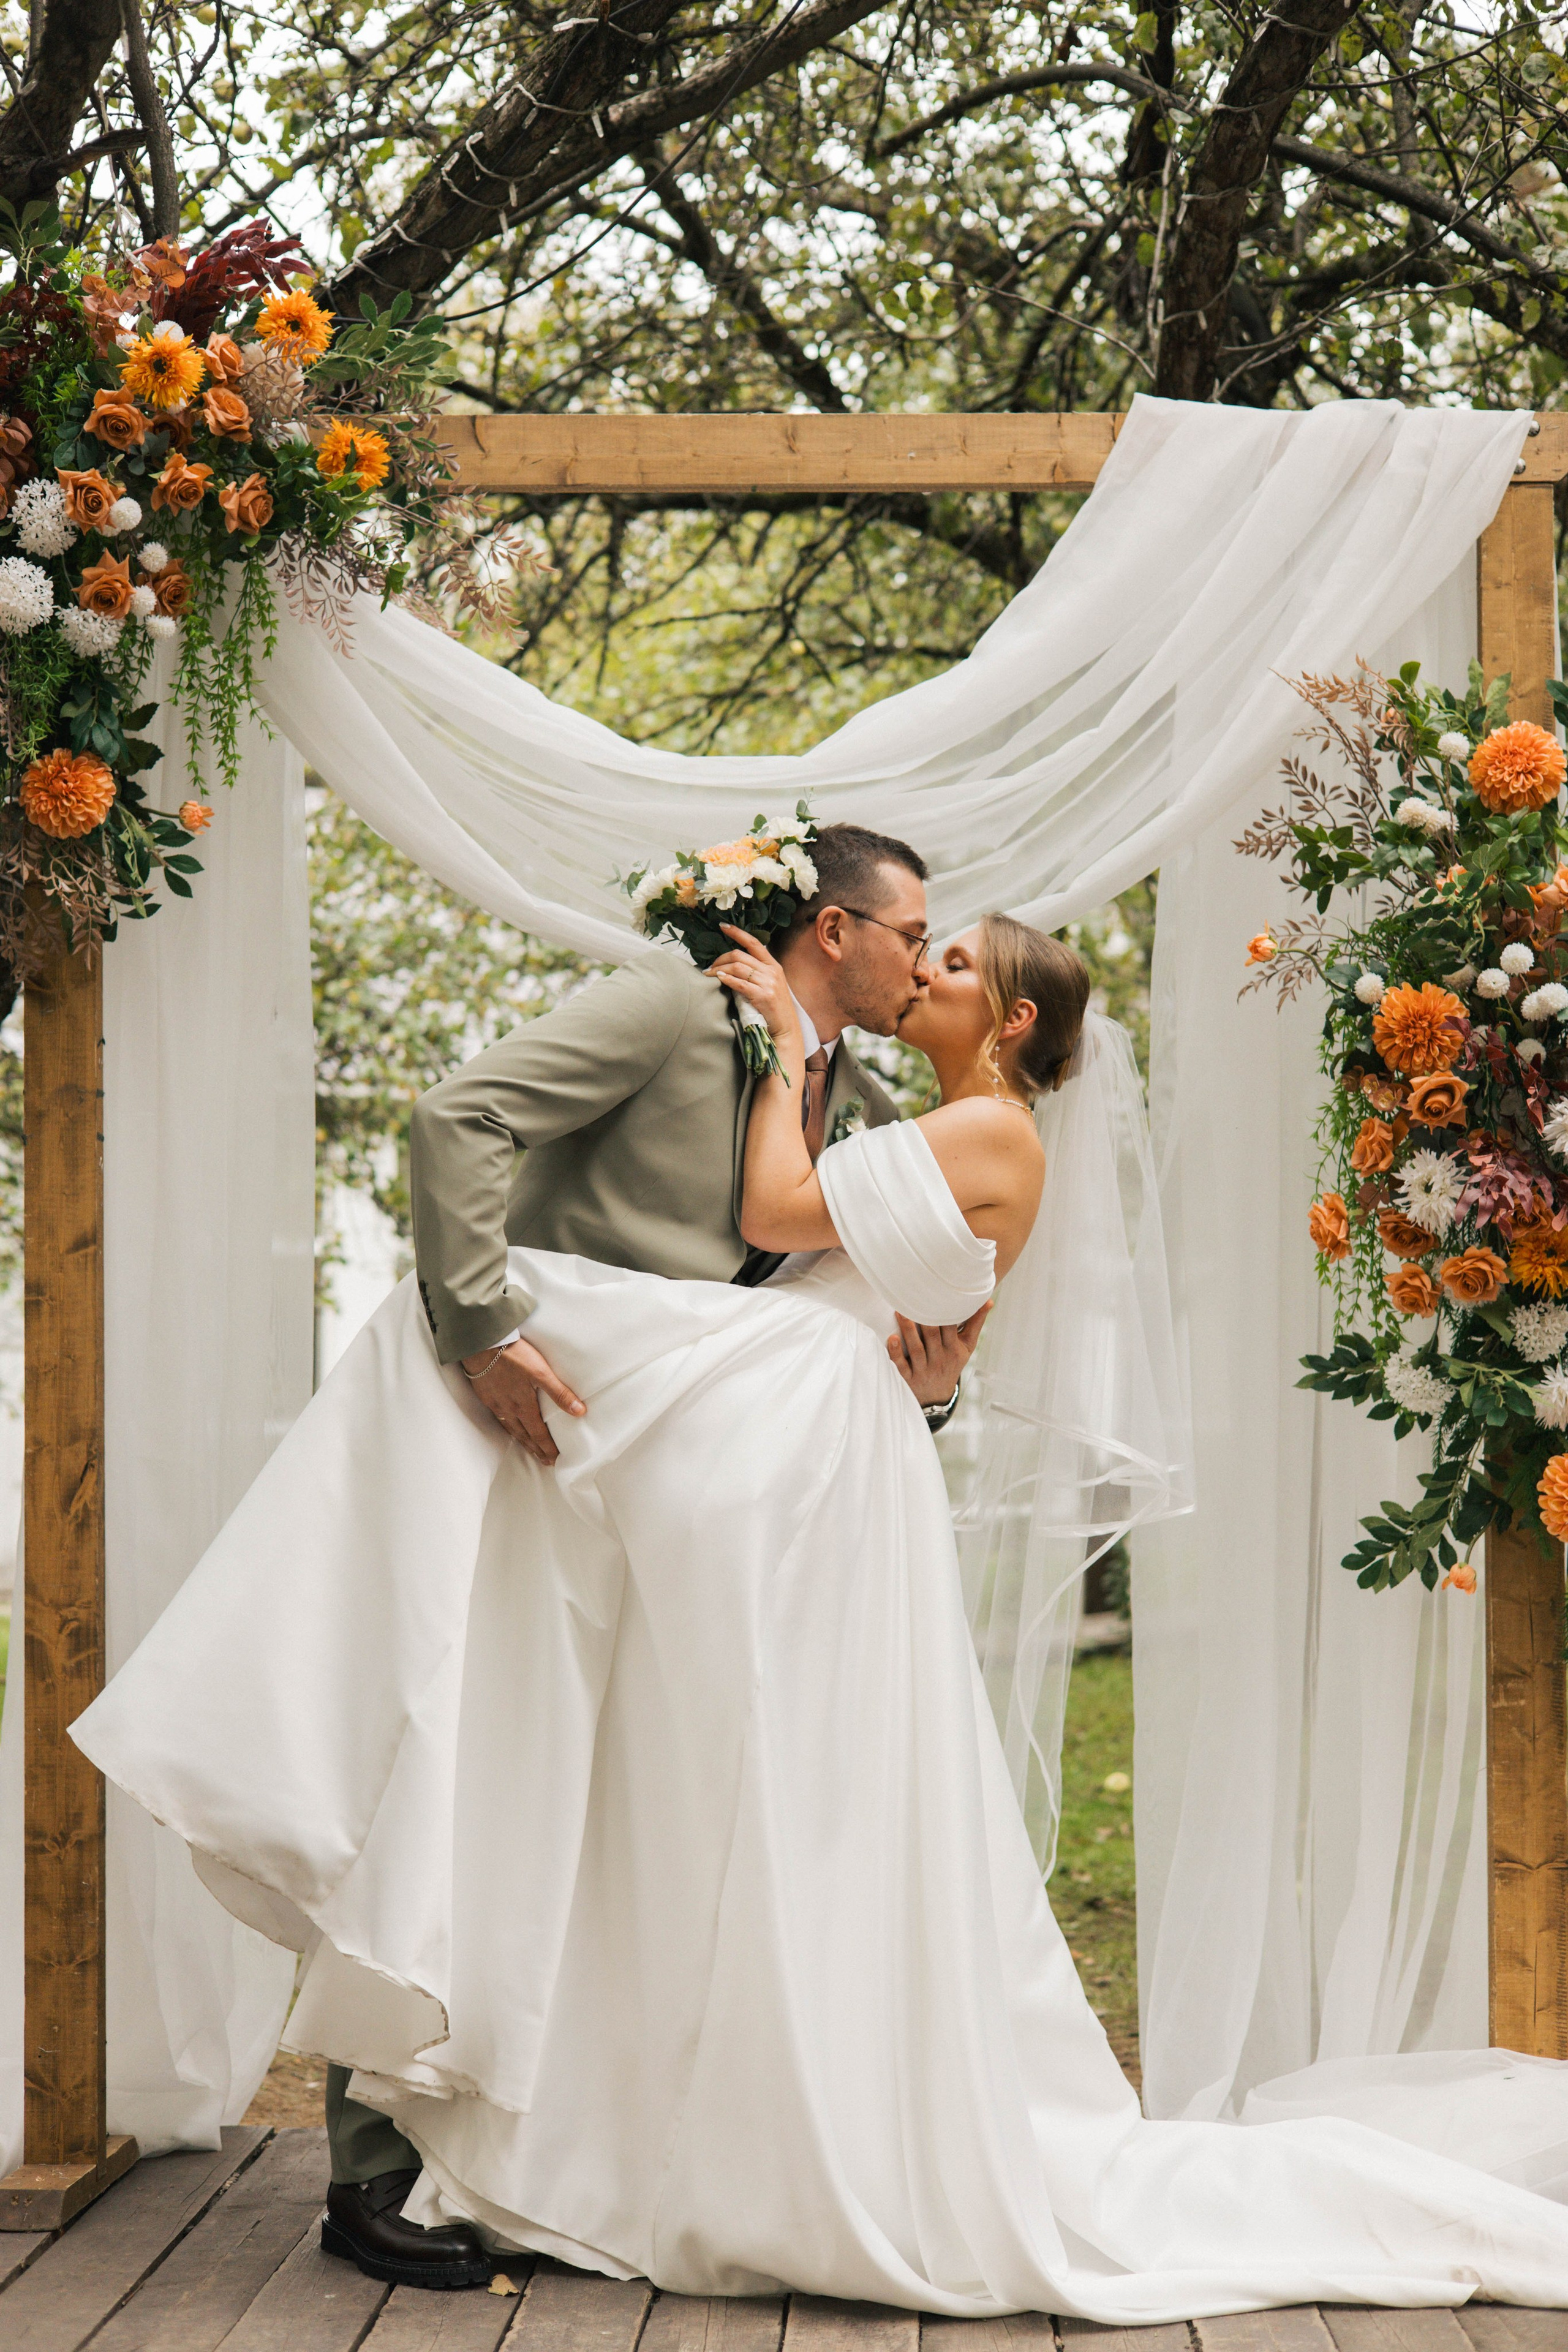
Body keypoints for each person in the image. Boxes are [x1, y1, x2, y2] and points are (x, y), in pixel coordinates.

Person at [72, 909, 1568, 2320]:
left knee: (766, 1764)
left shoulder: (985, 1129)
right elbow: (897, 1319)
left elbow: (774, 1211)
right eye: (921, 941)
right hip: (807, 1439)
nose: (928, 968)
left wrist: (785, 1049)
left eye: (957, 958)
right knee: (735, 1780)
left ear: (1015, 1013)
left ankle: (762, 2117)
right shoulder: (931, 1130)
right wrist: (911, 1349)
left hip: (803, 1452)